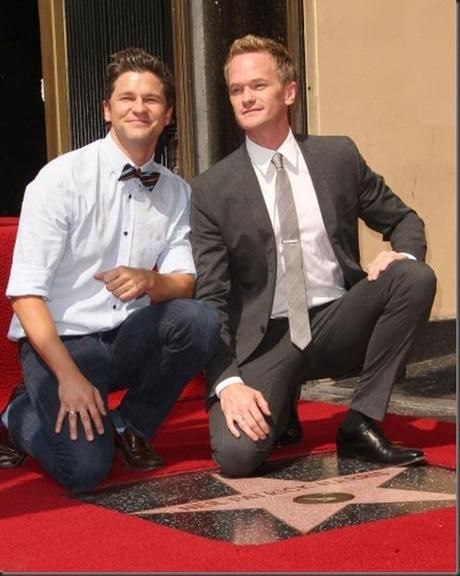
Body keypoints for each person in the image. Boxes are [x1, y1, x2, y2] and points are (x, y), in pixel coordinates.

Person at [190, 34, 436, 478]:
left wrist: (401, 253)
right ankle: (281, 404)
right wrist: (227, 384)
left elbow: (405, 220)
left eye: (258, 86)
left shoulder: (336, 156)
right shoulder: (211, 189)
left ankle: (360, 423)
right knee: (237, 456)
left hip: (339, 318)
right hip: (269, 340)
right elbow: (211, 298)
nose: (246, 97)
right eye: (236, 90)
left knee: (415, 277)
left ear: (288, 91)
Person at [0, 47, 220, 490]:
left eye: (152, 99)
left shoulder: (176, 191)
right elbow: (25, 294)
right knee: (85, 469)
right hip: (61, 343)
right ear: (107, 109)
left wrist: (152, 280)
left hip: (125, 339)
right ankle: (17, 413)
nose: (139, 107)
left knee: (197, 321)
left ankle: (128, 425)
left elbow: (186, 283)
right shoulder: (60, 180)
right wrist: (67, 377)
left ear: (169, 113)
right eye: (127, 98)